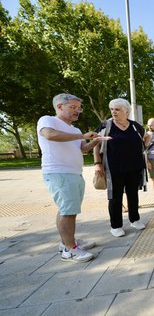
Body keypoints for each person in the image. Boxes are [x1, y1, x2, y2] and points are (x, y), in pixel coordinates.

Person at [37, 93, 103, 263]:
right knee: (68, 211)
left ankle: (68, 242)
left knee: (69, 209)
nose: (77, 111)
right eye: (73, 107)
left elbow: (84, 149)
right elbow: (51, 135)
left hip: (74, 173)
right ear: (59, 106)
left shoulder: (75, 130)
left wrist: (97, 140)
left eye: (78, 108)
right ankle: (70, 249)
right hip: (58, 172)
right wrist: (82, 136)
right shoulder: (48, 120)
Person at [93, 98, 150, 237]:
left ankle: (134, 219)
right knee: (115, 197)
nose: (113, 112)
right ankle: (116, 225)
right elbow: (96, 143)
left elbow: (146, 137)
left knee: (133, 194)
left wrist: (144, 148)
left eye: (117, 109)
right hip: (114, 167)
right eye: (112, 109)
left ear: (126, 111)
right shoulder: (106, 126)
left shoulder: (136, 126)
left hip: (134, 166)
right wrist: (97, 163)